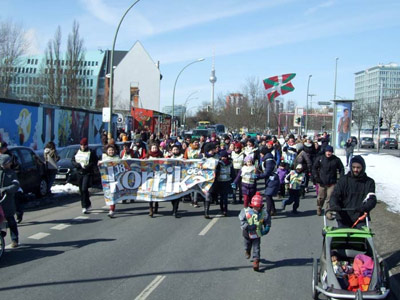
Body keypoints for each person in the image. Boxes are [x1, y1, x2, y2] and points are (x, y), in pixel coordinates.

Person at [330, 155, 376, 228]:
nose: (355, 170)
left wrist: (365, 207)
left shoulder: (369, 182)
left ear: (363, 168)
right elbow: (335, 195)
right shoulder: (343, 180)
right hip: (343, 216)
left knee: (360, 238)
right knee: (343, 237)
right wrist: (334, 205)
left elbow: (372, 199)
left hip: (360, 216)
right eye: (353, 167)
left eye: (358, 168)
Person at [238, 192, 271, 272]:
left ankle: (256, 261)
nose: (256, 208)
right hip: (247, 233)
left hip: (257, 233)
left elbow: (267, 221)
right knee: (247, 244)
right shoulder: (246, 211)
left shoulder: (264, 212)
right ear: (252, 205)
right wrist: (246, 226)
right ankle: (247, 250)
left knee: (257, 248)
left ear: (261, 206)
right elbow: (241, 220)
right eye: (255, 207)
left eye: (258, 207)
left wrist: (267, 227)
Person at [312, 145, 344, 219]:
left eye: (330, 152)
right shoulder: (320, 159)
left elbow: (341, 169)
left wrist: (341, 178)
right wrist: (316, 177)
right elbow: (314, 168)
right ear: (325, 152)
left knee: (330, 198)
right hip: (322, 182)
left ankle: (328, 212)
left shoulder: (336, 160)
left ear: (332, 152)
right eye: (327, 151)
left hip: (332, 183)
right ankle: (319, 207)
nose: (328, 153)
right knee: (321, 198)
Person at [71, 138, 98, 214]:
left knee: (84, 189)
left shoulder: (91, 152)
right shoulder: (77, 152)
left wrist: (88, 166)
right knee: (81, 191)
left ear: (87, 145)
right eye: (81, 145)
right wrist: (78, 165)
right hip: (79, 173)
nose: (83, 146)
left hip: (87, 173)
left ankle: (84, 206)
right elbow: (73, 160)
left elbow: (94, 162)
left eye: (84, 145)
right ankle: (87, 203)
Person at [0, 154, 20, 248]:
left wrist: (6, 189)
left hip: (7, 201)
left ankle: (14, 239)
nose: (11, 163)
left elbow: (16, 185)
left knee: (11, 221)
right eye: (9, 162)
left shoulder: (11, 173)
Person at [256, 147, 279, 216]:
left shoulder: (269, 161)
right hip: (270, 179)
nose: (260, 155)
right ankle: (273, 210)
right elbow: (261, 168)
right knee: (269, 195)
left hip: (272, 179)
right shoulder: (266, 160)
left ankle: (268, 212)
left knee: (268, 195)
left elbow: (267, 172)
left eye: (261, 153)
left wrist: (258, 176)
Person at [101, 144, 120, 217]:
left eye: (112, 150)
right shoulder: (104, 158)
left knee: (112, 193)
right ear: (107, 151)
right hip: (106, 179)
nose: (111, 152)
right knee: (108, 194)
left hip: (115, 179)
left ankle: (112, 209)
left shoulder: (117, 158)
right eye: (109, 150)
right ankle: (111, 207)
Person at [146, 143, 163, 217]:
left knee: (156, 192)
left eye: (155, 148)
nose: (154, 149)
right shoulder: (148, 156)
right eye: (153, 148)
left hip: (158, 176)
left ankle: (156, 204)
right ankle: (150, 209)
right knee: (150, 193)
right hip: (149, 177)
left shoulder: (160, 156)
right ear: (150, 149)